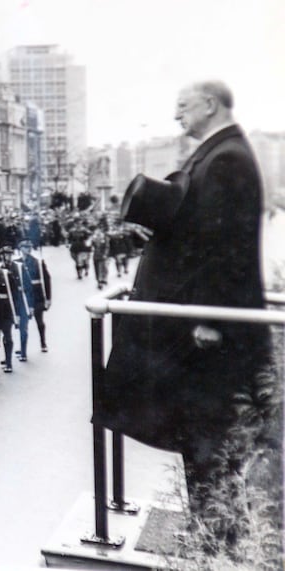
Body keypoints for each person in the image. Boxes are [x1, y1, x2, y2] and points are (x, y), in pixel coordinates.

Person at [98, 81, 273, 525]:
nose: (176, 115)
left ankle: (214, 538)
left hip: (207, 332)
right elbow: (200, 232)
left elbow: (225, 246)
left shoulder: (226, 157)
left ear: (209, 104)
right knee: (202, 439)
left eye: (182, 106)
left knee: (208, 442)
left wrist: (210, 319)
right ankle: (210, 533)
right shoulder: (219, 153)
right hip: (202, 325)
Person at [18, 240, 51, 353]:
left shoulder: (38, 262)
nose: (28, 249)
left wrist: (48, 298)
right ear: (20, 248)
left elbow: (46, 280)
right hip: (24, 296)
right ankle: (23, 349)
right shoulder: (17, 263)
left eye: (29, 247)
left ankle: (43, 342)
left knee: (40, 321)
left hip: (37, 295)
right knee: (23, 324)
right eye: (25, 247)